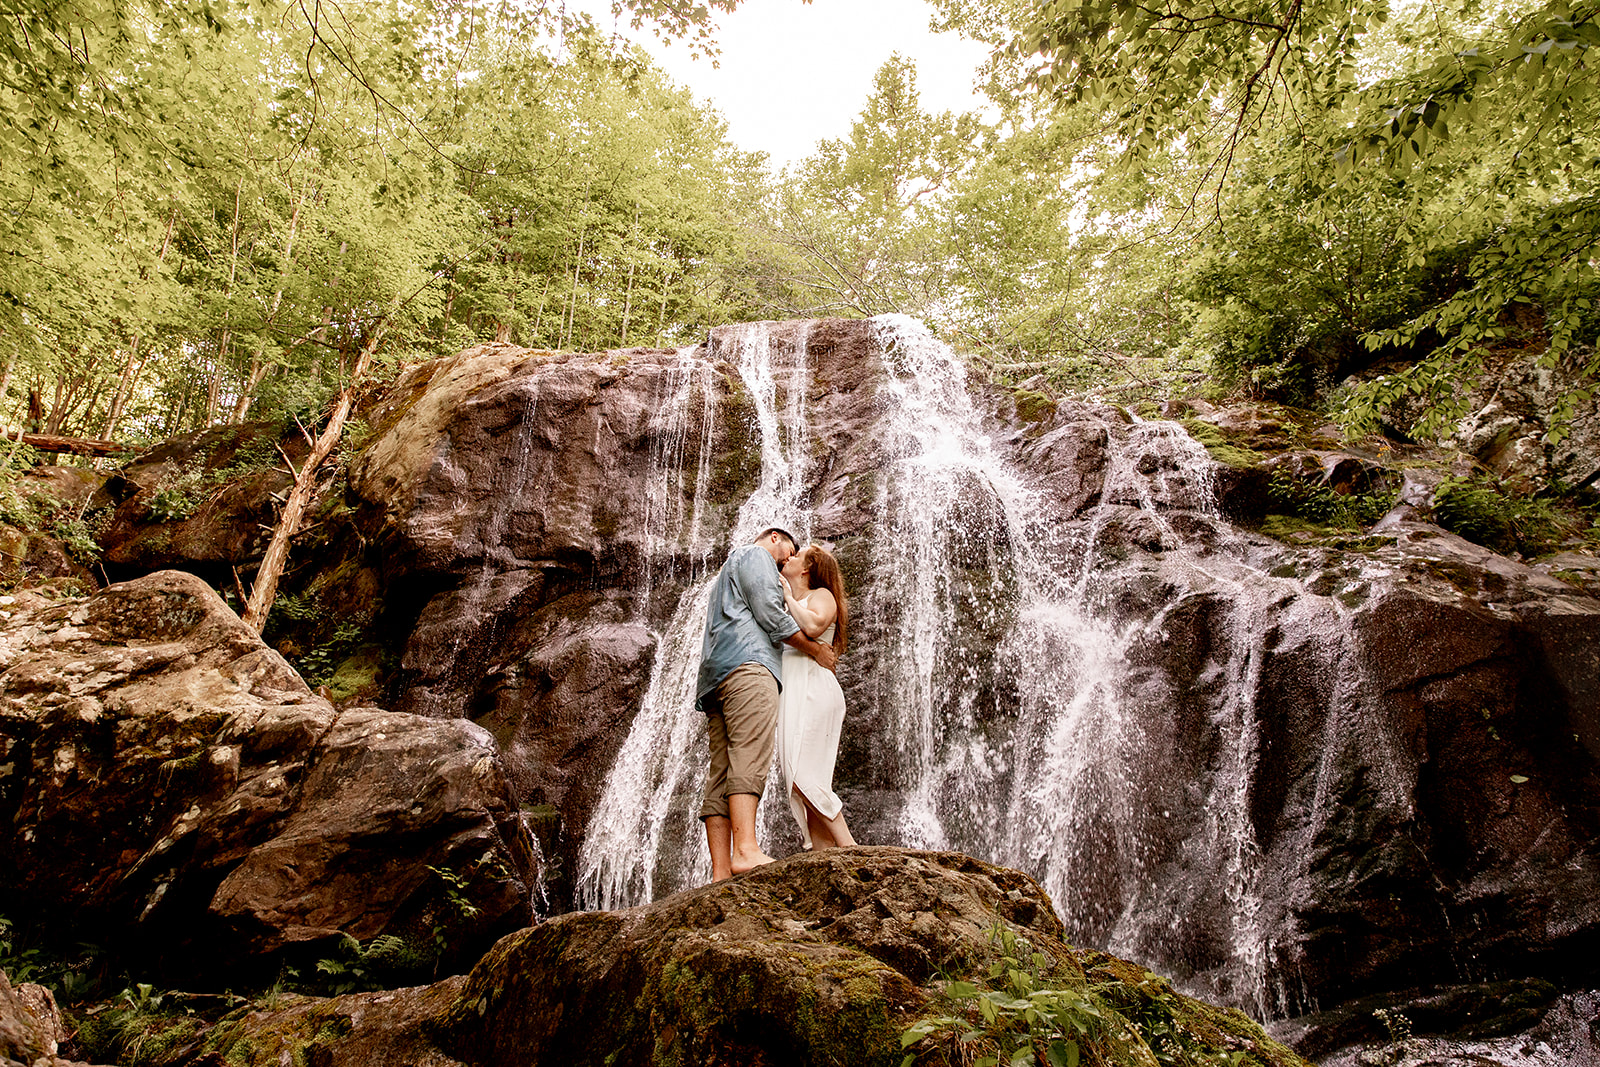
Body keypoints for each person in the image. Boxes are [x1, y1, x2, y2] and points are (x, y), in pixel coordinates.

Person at [696, 527, 839, 881]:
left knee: (722, 767)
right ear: (774, 538)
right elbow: (772, 615)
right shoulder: (757, 556)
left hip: (715, 676)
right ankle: (746, 850)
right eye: (787, 551)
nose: (787, 560)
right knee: (749, 752)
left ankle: (720, 871)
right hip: (749, 667)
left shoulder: (725, 575)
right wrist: (816, 649)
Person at [776, 544, 857, 850]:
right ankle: (824, 856)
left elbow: (812, 626)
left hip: (814, 687)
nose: (789, 557)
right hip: (793, 691)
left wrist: (787, 598)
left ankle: (849, 847)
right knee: (795, 779)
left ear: (808, 569)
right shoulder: (786, 603)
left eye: (796, 557)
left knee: (801, 774)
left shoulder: (820, 595)